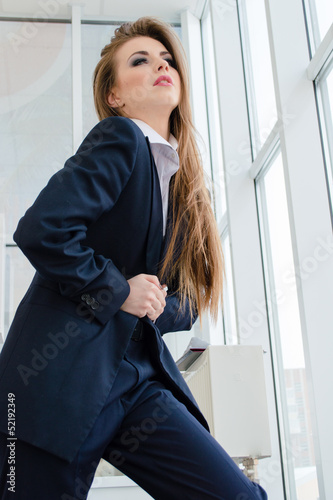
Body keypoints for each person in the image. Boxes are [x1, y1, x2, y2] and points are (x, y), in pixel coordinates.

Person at [0, 17, 267, 500]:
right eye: (139, 61)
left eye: (166, 59)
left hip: (137, 381)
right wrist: (120, 290)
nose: (159, 66)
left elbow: (178, 300)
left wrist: (149, 300)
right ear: (115, 96)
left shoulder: (181, 186)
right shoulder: (121, 138)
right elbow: (42, 229)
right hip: (55, 380)